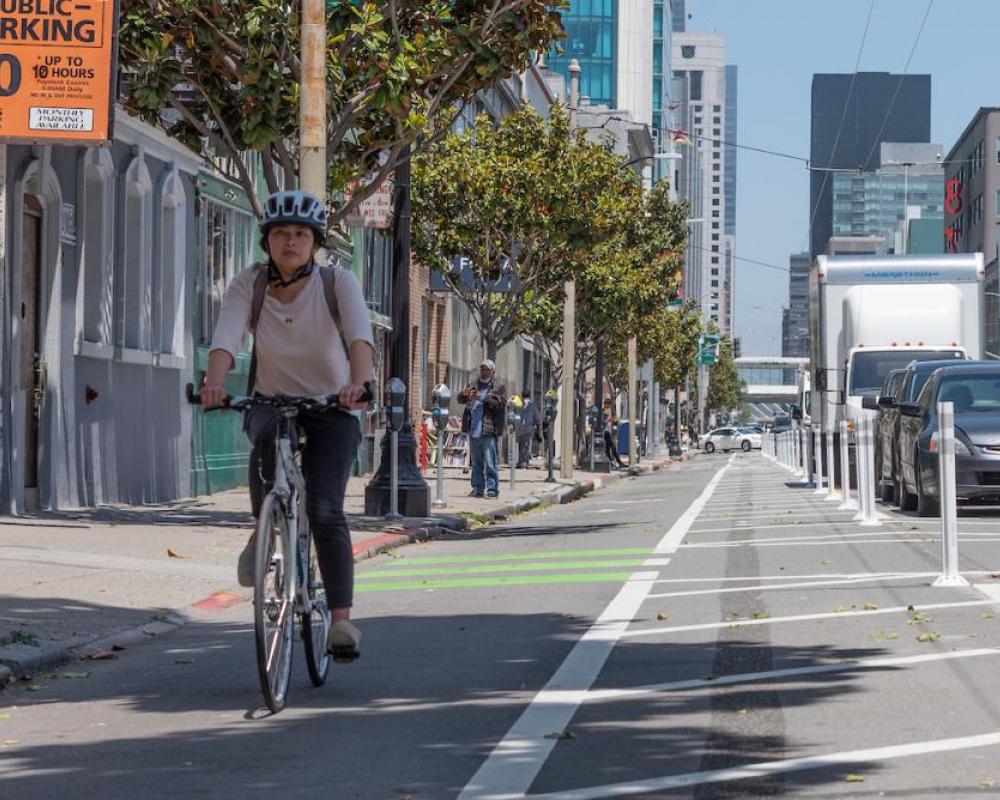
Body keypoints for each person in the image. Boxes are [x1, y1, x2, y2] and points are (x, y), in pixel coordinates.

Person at [200, 189, 374, 663]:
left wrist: (359, 385)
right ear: (267, 241)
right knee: (265, 439)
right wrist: (214, 383)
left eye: (300, 234)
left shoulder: (338, 283)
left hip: (333, 407)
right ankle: (264, 529)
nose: (290, 241)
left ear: (315, 242)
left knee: (323, 507)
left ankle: (340, 621)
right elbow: (227, 335)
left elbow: (360, 337)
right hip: (271, 400)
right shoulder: (249, 285)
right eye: (280, 233)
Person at [459, 359, 507, 498]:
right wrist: (464, 394)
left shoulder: (498, 387)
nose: (484, 372)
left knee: (490, 461)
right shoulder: (473, 385)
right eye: (482, 369)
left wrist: (483, 398)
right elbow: (461, 400)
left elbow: (499, 403)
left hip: (488, 429)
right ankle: (478, 488)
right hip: (474, 429)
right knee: (476, 462)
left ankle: (492, 489)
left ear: (493, 372)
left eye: (487, 369)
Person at [517, 390, 542, 468]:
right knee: (527, 446)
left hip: (521, 428)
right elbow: (537, 418)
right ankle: (525, 461)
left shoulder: (519, 405)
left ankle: (521, 461)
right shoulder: (533, 406)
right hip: (529, 428)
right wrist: (538, 427)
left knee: (521, 446)